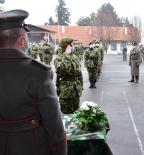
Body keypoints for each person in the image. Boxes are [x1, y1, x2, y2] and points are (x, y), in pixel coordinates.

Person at [0, 10, 67, 155]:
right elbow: (53, 123)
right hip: (30, 146)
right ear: (22, 40)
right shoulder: (39, 72)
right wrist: (60, 150)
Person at [54, 39, 83, 114]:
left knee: (76, 114)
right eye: (71, 45)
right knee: (66, 115)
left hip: (76, 89)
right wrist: (66, 55)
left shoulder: (73, 56)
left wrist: (81, 86)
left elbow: (79, 73)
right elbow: (63, 70)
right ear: (66, 46)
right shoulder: (59, 58)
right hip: (66, 92)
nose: (73, 46)